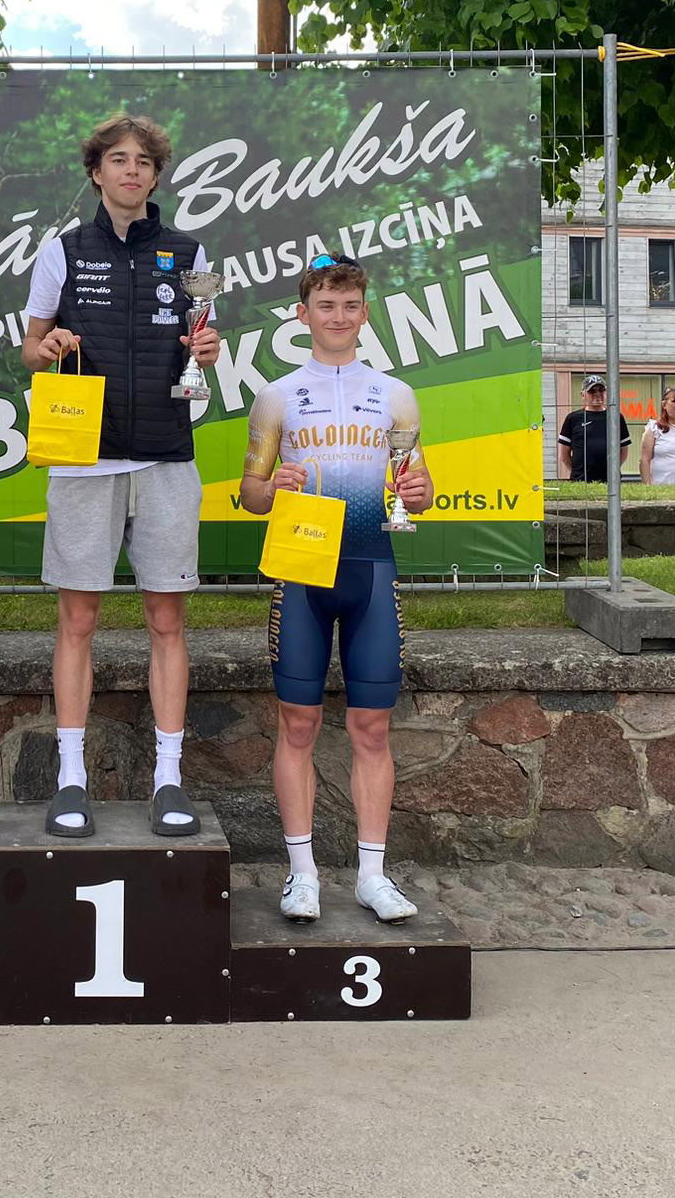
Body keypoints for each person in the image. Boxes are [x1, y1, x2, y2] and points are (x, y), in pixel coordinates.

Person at [21, 113, 220, 839]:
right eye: (118, 159)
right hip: (86, 459)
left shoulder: (189, 253)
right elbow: (29, 349)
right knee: (78, 619)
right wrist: (50, 346)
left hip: (166, 455)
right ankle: (71, 779)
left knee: (167, 620)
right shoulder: (62, 251)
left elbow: (203, 342)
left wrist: (209, 350)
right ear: (97, 171)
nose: (132, 171)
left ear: (156, 176)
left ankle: (169, 779)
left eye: (143, 162)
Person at [238, 255, 434, 925]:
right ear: (303, 314)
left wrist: (419, 491)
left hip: (371, 568)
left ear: (365, 314)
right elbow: (250, 494)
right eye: (326, 305)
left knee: (371, 727)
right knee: (298, 723)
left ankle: (373, 877)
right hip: (302, 570)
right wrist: (272, 486)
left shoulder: (396, 394)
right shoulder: (276, 396)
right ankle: (302, 875)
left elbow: (417, 490)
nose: (338, 316)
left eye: (350, 305)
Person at [557, 375, 630, 483]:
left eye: (601, 390)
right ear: (583, 395)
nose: (597, 394)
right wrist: (576, 473)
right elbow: (564, 455)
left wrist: (613, 469)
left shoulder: (616, 417)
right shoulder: (573, 418)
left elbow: (624, 450)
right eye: (592, 391)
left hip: (610, 481)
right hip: (581, 481)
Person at [640, 386, 675, 486]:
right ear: (664, 405)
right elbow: (645, 460)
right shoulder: (654, 429)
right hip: (662, 489)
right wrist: (647, 487)